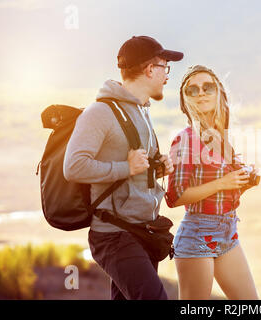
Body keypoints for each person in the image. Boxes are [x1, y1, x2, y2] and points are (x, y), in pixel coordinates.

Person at [63, 36, 182, 300]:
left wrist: (156, 168)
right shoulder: (99, 113)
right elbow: (73, 166)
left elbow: (135, 166)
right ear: (150, 69)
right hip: (115, 236)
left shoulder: (141, 110)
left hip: (144, 232)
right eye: (165, 67)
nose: (167, 76)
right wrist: (125, 168)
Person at [165, 65, 259, 300]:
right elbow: (174, 197)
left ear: (219, 93)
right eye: (192, 90)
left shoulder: (221, 137)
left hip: (228, 233)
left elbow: (223, 191)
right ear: (186, 100)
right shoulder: (185, 139)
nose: (201, 93)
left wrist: (243, 181)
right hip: (197, 235)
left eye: (208, 87)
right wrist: (223, 183)